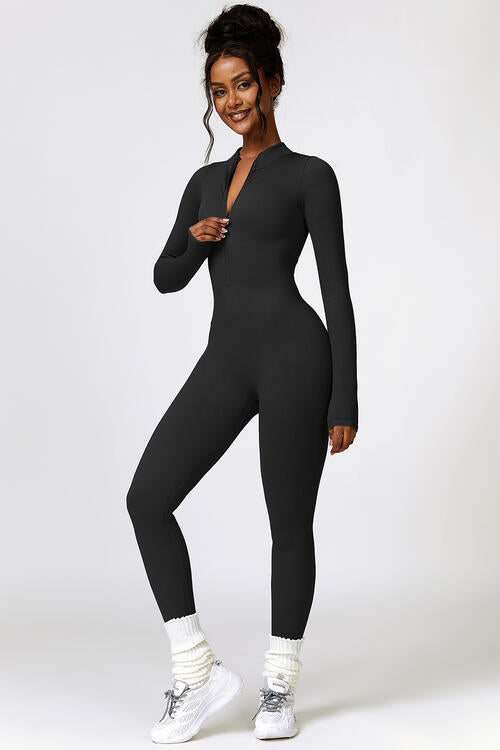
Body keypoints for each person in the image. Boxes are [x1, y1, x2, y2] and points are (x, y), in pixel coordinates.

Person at [126, 4, 358, 743]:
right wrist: (196, 242)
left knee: (287, 525)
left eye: (243, 84)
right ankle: (196, 669)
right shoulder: (204, 182)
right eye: (219, 90)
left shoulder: (311, 176)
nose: (231, 102)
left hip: (296, 359)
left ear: (273, 82)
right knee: (147, 498)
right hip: (225, 360)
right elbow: (165, 277)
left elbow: (336, 291)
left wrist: (345, 398)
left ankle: (278, 683)